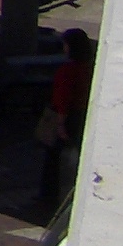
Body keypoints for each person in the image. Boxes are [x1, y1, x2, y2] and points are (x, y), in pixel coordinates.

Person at [40, 28, 96, 203]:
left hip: (66, 116)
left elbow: (63, 98)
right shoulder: (90, 67)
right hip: (82, 114)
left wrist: (60, 123)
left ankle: (49, 196)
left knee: (53, 158)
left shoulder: (67, 70)